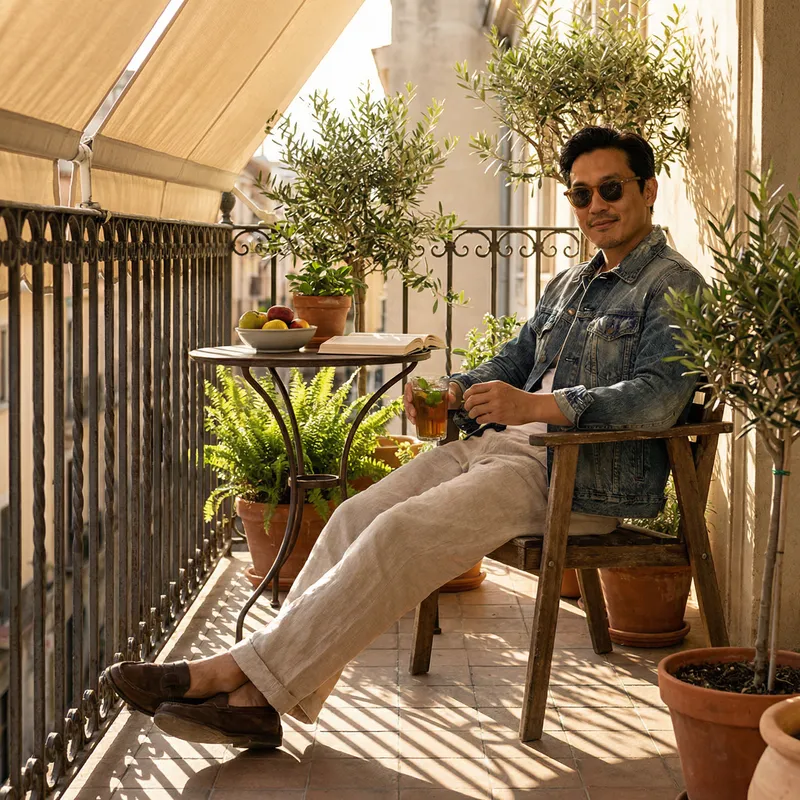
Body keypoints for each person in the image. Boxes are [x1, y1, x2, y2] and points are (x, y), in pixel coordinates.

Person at [107, 126, 705, 748]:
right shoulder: (569, 284)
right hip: (498, 447)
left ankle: (230, 674)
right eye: (581, 196)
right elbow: (513, 359)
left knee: (398, 534)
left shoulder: (674, 284)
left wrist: (540, 405)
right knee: (352, 517)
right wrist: (459, 388)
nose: (595, 206)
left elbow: (659, 398)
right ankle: (256, 701)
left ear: (649, 189)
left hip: (574, 474)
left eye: (610, 188)